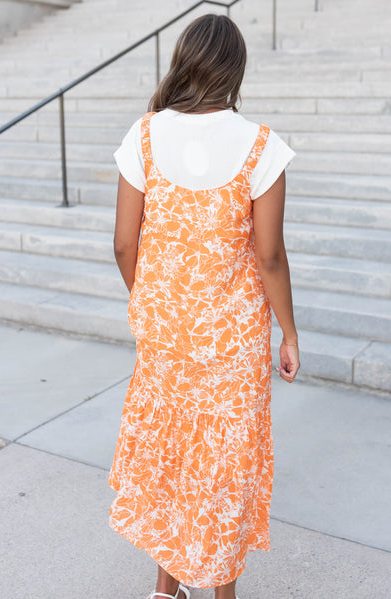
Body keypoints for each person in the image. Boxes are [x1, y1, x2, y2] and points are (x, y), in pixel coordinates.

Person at [108, 12, 300, 599]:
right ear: (233, 70)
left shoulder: (143, 135)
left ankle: (165, 592)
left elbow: (123, 243)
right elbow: (268, 258)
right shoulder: (261, 146)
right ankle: (221, 594)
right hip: (233, 344)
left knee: (172, 458)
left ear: (183, 59)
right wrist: (289, 334)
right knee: (222, 469)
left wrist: (153, 304)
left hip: (167, 338)